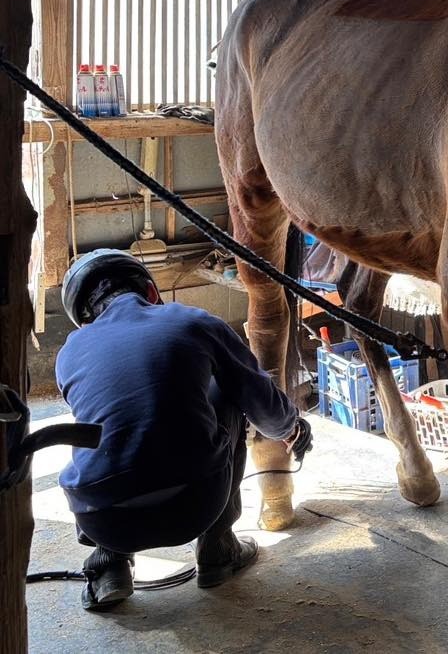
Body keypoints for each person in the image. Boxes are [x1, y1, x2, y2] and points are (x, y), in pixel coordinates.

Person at [56, 249, 311, 610]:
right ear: (150, 293)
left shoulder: (69, 352)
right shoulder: (193, 321)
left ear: (84, 317)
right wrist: (292, 427)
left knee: (96, 424)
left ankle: (108, 566)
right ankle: (217, 550)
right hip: (195, 505)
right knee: (227, 390)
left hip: (106, 522)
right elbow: (262, 402)